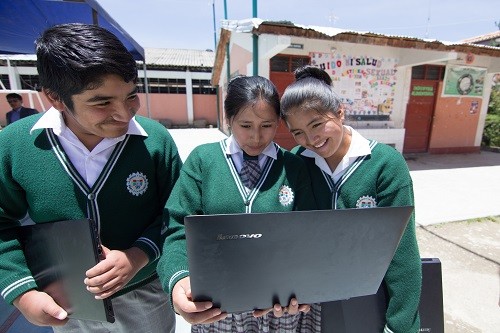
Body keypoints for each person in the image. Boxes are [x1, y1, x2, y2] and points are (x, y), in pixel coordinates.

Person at [0, 23, 182, 333]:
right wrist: (23, 293)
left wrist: (137, 256)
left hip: (146, 297)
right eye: (102, 103)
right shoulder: (15, 146)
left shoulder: (155, 141)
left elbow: (177, 214)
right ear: (55, 98)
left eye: (132, 96)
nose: (124, 114)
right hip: (67, 304)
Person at [157, 75, 320, 333]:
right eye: (245, 125)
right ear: (228, 119)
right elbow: (177, 228)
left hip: (276, 308)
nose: (256, 137)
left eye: (267, 125)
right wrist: (179, 280)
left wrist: (301, 286)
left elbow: (309, 232)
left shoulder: (293, 167)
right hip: (217, 308)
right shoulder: (203, 161)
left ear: (279, 122)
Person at [280, 66, 422, 333]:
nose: (311, 139)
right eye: (297, 132)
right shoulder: (298, 162)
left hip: (370, 301)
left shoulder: (384, 165)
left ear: (340, 112)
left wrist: (401, 324)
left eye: (317, 124)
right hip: (312, 305)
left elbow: (401, 251)